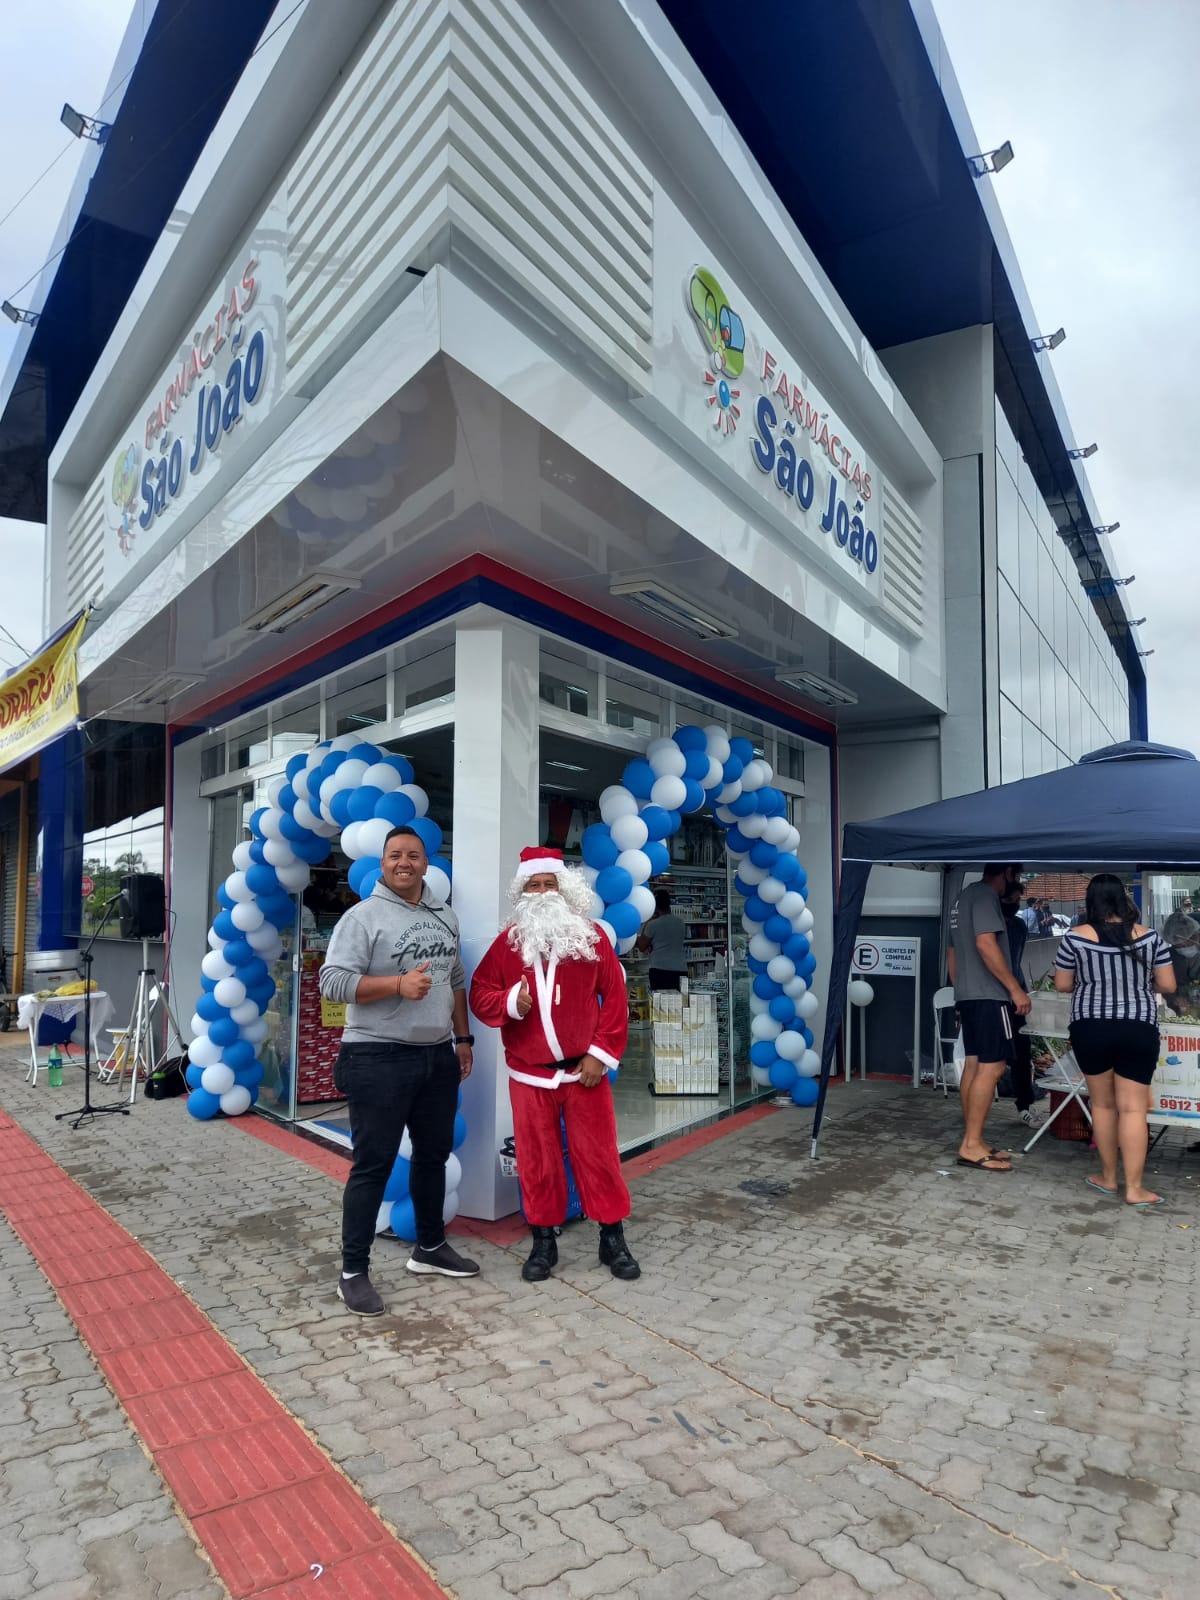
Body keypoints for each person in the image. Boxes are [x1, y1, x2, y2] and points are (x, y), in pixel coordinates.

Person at [319, 825, 478, 1315]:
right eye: (394, 856)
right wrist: (394, 985)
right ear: (382, 863)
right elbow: (332, 982)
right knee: (373, 1165)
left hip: (436, 1056)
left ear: (427, 863)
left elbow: (454, 980)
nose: (403, 863)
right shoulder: (362, 916)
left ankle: (429, 1248)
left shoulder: (444, 915)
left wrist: (463, 1037)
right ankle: (352, 1273)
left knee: (432, 1156)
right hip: (376, 1056)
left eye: (413, 855)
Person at [469, 847, 640, 1283]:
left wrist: (600, 1055)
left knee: (598, 1156)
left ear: (566, 891)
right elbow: (480, 992)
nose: (543, 892)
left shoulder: (592, 938)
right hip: (530, 1074)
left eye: (550, 884)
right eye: (535, 885)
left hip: (585, 1073)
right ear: (523, 892)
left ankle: (612, 1237)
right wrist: (511, 1002)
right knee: (536, 1161)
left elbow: (616, 1001)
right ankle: (543, 1241)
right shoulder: (508, 944)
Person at [1054, 873, 1175, 1207]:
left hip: (1091, 1027)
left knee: (1103, 1105)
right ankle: (1135, 1188)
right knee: (1134, 1108)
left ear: (1092, 901)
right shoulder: (1151, 938)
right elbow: (1168, 985)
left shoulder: (1074, 938)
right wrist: (1139, 987)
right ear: (1123, 899)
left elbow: (1063, 985)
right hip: (1138, 1026)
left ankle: (1108, 1178)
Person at [947, 864, 1032, 1173]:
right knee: (992, 1066)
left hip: (969, 995)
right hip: (990, 996)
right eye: (1018, 876)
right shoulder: (985, 896)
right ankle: (971, 1144)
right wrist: (1014, 989)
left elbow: (952, 953)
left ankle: (974, 1139)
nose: (1018, 884)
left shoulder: (963, 897)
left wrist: (959, 994)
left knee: (973, 1064)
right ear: (1007, 873)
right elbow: (985, 943)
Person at [999, 880, 1041, 1129]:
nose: (1014, 905)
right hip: (994, 997)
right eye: (1009, 900)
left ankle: (1024, 1103)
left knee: (1021, 1052)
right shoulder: (989, 928)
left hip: (1016, 994)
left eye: (1017, 901)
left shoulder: (1018, 925)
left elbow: (1014, 962)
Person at [636, 890, 688, 990]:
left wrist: (648, 921)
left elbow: (642, 946)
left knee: (660, 1003)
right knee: (680, 1001)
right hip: (681, 968)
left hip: (660, 969)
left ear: (655, 906)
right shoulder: (680, 922)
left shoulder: (653, 924)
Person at [1161, 899, 1200, 995]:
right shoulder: (1170, 957)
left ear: (1196, 936)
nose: (1184, 948)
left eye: (1187, 943)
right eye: (1178, 946)